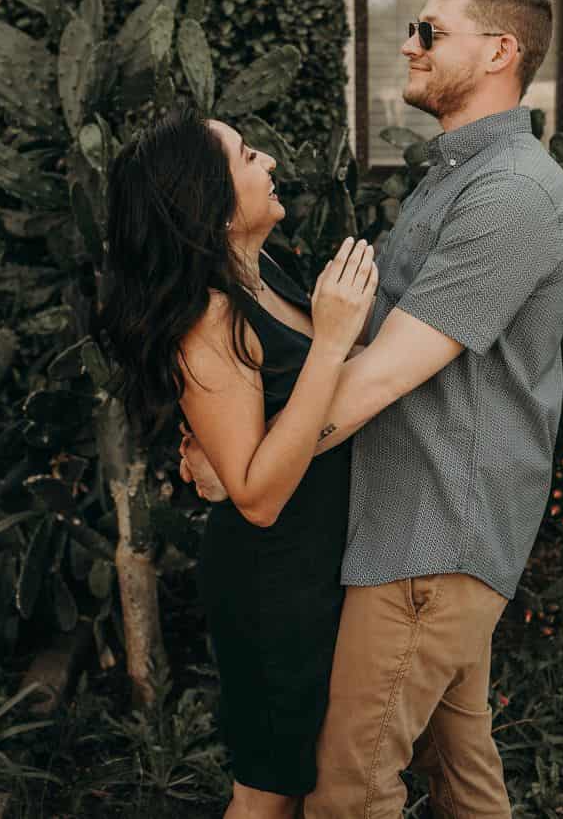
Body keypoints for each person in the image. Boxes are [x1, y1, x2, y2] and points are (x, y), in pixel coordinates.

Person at [183, 0, 563, 817]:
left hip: (427, 536)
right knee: (466, 777)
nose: (408, 44)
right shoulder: (455, 176)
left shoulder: (510, 191)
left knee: (349, 790)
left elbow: (378, 374)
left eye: (430, 31)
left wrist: (252, 462)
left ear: (500, 51)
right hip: (410, 526)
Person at [98, 106, 378, 819]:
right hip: (271, 585)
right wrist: (332, 340)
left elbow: (279, 430)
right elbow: (256, 495)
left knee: (303, 775)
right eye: (249, 156)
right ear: (212, 207)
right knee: (267, 792)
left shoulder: (265, 274)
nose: (270, 162)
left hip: (317, 568)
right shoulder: (208, 318)